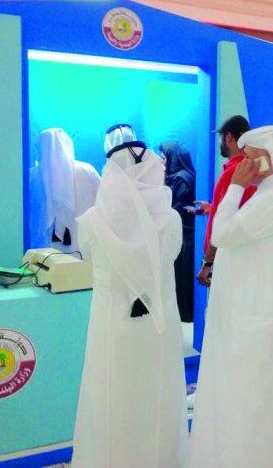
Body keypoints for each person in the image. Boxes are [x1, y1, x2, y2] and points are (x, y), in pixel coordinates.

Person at [189, 125, 273, 467]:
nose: (243, 166)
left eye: (249, 159)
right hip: (263, 315)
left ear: (268, 159)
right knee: (256, 401)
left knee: (247, 402)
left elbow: (223, 233)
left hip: (255, 322)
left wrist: (236, 187)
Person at [72, 141, 187, 468]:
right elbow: (172, 255)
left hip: (113, 328)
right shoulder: (171, 220)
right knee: (156, 398)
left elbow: (88, 255)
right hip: (158, 327)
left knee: (113, 399)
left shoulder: (91, 222)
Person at [195, 115, 256, 287]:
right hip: (243, 257)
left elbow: (222, 225)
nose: (220, 142)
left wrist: (207, 264)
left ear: (229, 137)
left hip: (226, 258)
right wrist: (212, 207)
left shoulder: (232, 172)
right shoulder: (251, 169)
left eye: (221, 137)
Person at [29, 128, 100, 255]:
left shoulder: (32, 175)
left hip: (43, 248)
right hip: (84, 244)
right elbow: (102, 202)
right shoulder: (87, 170)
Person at [160, 141, 197, 323]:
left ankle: (185, 314)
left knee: (183, 277)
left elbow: (174, 209)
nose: (162, 162)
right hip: (181, 234)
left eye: (164, 158)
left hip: (185, 236)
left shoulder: (182, 180)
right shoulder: (178, 178)